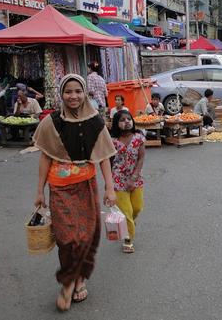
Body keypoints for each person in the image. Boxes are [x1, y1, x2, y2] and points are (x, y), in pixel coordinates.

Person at [33, 74, 117, 312]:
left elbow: (103, 157)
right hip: (59, 188)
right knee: (66, 238)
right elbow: (45, 157)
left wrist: (110, 188)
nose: (73, 96)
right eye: (68, 92)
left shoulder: (95, 122)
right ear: (61, 94)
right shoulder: (51, 122)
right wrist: (39, 191)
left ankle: (75, 280)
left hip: (86, 186)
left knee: (85, 236)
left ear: (85, 93)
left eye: (78, 91)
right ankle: (70, 282)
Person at [110, 110, 145, 254]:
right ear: (117, 124)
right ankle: (128, 239)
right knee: (125, 212)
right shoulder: (112, 141)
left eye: (129, 119)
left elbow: (141, 158)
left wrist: (134, 177)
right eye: (123, 120)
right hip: (118, 179)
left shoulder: (139, 137)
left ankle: (130, 222)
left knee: (137, 208)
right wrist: (108, 183)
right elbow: (109, 160)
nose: (127, 122)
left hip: (136, 178)